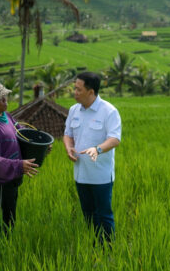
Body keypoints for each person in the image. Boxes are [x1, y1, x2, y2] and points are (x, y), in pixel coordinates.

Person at [63, 72, 121, 245]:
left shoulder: (109, 111)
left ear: (91, 91)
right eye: (75, 88)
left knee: (103, 214)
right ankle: (95, 244)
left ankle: (108, 250)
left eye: (78, 89)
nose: (75, 92)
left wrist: (97, 149)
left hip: (100, 175)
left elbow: (114, 139)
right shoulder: (74, 110)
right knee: (88, 214)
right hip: (80, 174)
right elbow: (67, 134)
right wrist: (68, 148)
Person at [0, 81, 39, 241]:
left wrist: (40, 146)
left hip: (12, 179)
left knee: (10, 221)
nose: (5, 99)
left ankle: (7, 250)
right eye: (0, 97)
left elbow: (21, 133)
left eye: (4, 95)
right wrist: (19, 165)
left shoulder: (6, 116)